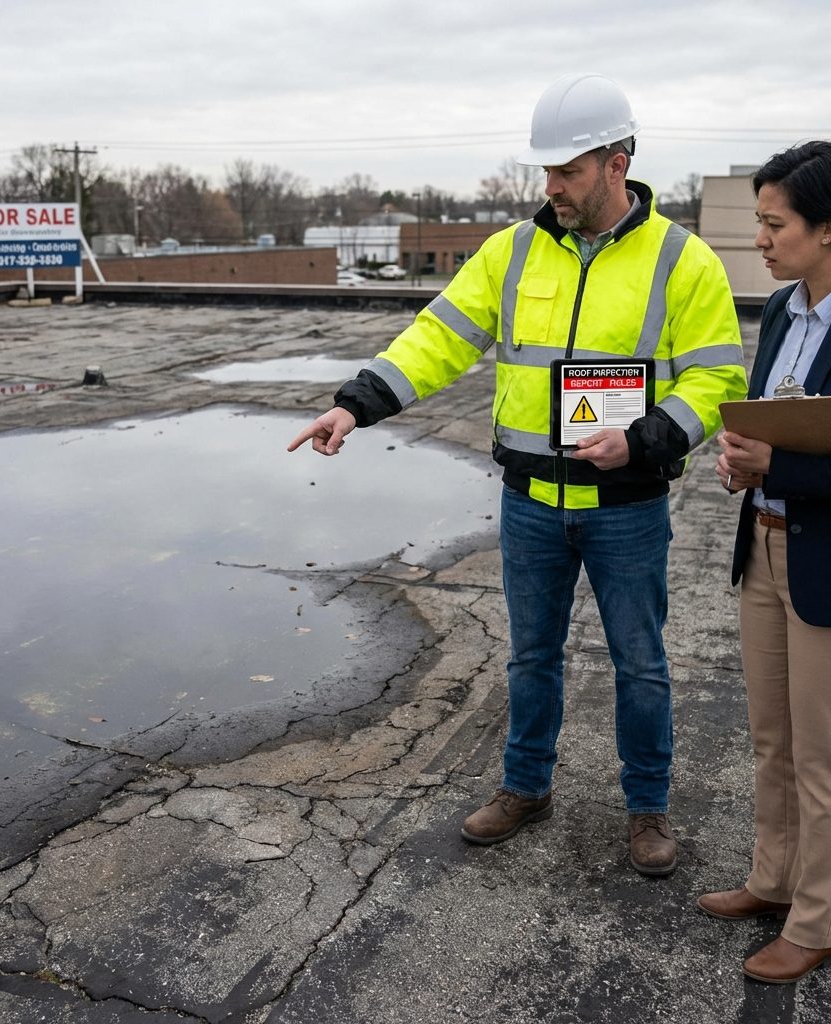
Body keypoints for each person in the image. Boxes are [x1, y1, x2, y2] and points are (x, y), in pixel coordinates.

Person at [288, 72, 747, 877]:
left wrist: (644, 440)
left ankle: (647, 809)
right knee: (531, 657)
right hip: (531, 504)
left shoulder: (684, 260)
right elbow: (437, 340)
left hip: (626, 508)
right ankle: (525, 786)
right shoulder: (512, 252)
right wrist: (355, 406)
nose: (552, 187)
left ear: (618, 162)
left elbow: (717, 380)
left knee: (640, 663)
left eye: (567, 170)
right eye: (546, 171)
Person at [700, 142, 831, 983]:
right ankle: (773, 881)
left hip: (823, 562)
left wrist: (774, 467)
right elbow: (771, 421)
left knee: (823, 754)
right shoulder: (783, 312)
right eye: (758, 221)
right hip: (766, 546)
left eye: (775, 223)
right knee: (771, 737)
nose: (761, 238)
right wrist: (740, 454)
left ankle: (817, 923)